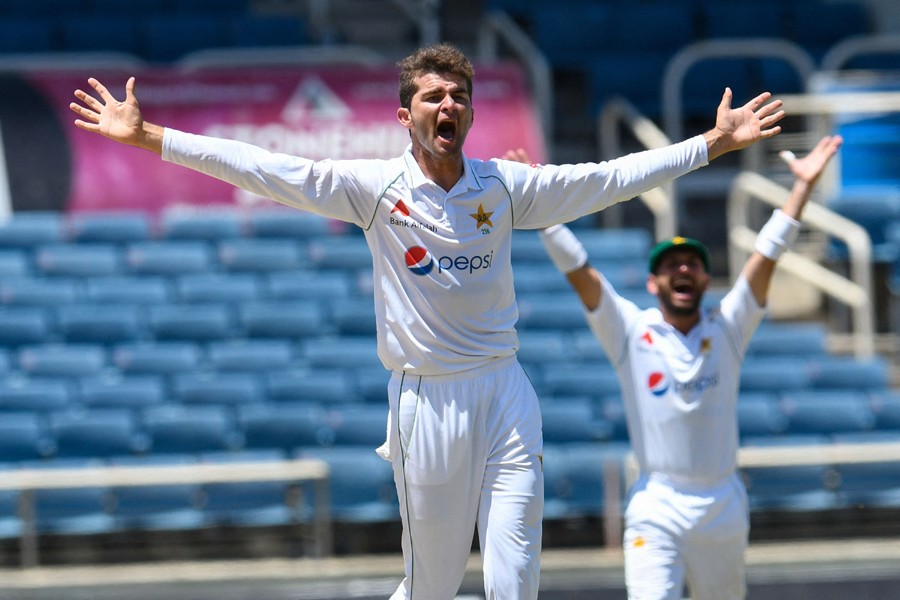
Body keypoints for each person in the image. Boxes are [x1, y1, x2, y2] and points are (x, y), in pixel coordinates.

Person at [69, 42, 785, 600]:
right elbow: (261, 167)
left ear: (470, 116)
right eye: (433, 97)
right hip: (426, 400)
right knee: (434, 586)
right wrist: (152, 136)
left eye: (459, 97)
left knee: (515, 583)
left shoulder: (504, 187)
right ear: (405, 115)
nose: (449, 105)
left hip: (505, 393)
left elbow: (606, 179)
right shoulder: (373, 189)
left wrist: (711, 146)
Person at [530, 134, 842, 600]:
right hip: (658, 502)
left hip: (722, 503)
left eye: (692, 264)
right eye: (671, 265)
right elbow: (583, 274)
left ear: (703, 278)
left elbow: (765, 257)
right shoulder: (631, 331)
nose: (682, 271)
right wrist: (545, 216)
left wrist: (800, 191)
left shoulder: (728, 327)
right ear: (654, 284)